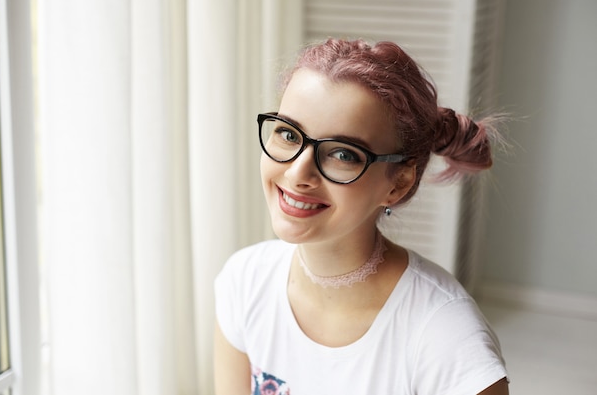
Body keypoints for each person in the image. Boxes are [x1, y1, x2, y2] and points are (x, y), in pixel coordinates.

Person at [214, 38, 509, 395]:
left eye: (342, 154)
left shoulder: (447, 337)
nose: (296, 174)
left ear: (397, 183)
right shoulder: (245, 282)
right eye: (288, 134)